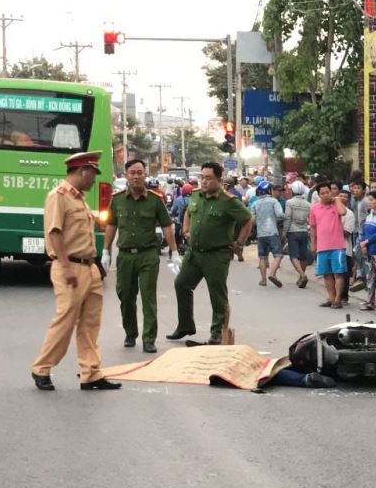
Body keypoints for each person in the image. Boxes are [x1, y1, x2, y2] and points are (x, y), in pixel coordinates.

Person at [31, 152, 116, 391]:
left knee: (90, 323)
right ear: (82, 171)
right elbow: (54, 233)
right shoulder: (58, 197)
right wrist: (66, 266)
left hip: (89, 268)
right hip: (70, 268)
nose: (94, 180)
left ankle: (91, 373)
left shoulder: (80, 199)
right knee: (66, 320)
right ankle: (42, 368)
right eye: (93, 174)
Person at [172, 162, 254, 346]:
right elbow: (188, 212)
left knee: (217, 295)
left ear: (219, 179)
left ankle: (217, 333)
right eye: (202, 177)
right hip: (194, 253)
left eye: (209, 178)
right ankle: (185, 325)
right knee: (181, 284)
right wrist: (185, 230)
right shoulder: (195, 195)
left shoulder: (228, 201)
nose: (204, 181)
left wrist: (240, 242)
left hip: (216, 255)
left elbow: (248, 219)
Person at [105, 160, 176, 353]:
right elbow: (111, 225)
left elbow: (166, 225)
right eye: (132, 173)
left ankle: (149, 338)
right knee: (126, 296)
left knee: (148, 297)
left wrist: (174, 251)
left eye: (140, 172)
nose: (136, 176)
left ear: (145, 175)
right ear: (126, 175)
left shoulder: (155, 200)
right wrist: (106, 251)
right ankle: (130, 333)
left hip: (148, 255)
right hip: (125, 256)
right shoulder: (117, 199)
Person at [310, 180, 350, 309]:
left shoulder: (336, 205)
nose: (326, 195)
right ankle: (331, 298)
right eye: (323, 193)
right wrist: (313, 243)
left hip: (337, 246)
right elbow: (313, 227)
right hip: (322, 246)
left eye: (328, 192)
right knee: (326, 274)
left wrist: (336, 200)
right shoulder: (315, 208)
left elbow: (343, 212)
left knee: (338, 273)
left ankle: (338, 299)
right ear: (319, 195)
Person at [250, 181, 285, 287]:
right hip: (272, 232)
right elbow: (280, 214)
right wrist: (283, 217)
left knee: (262, 256)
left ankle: (263, 280)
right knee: (278, 254)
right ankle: (273, 274)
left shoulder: (255, 203)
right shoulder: (274, 201)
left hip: (261, 234)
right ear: (269, 191)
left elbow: (252, 219)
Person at [283, 182, 314, 288]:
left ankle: (302, 275)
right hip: (304, 231)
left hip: (293, 231)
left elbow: (287, 218)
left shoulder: (289, 203)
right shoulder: (308, 204)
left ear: (292, 191)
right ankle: (301, 277)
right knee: (303, 256)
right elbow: (310, 219)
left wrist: (284, 232)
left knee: (293, 256)